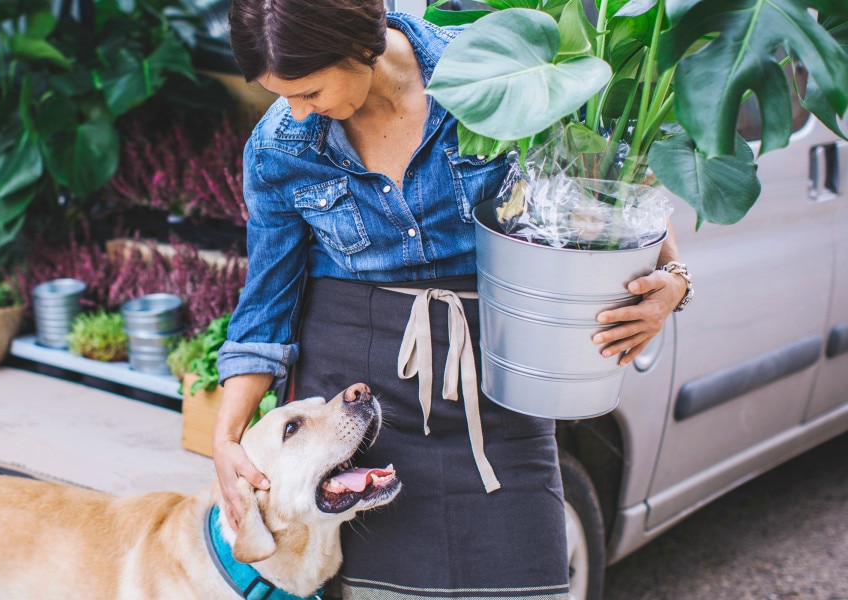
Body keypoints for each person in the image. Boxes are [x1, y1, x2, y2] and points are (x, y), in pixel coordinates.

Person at [211, 0, 692, 598]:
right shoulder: (280, 147)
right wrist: (227, 438)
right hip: (357, 421)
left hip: (494, 401)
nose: (298, 112)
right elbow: (266, 308)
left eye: (308, 91)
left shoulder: (495, 64)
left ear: (358, 41)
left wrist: (673, 279)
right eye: (282, 95)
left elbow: (609, 188)